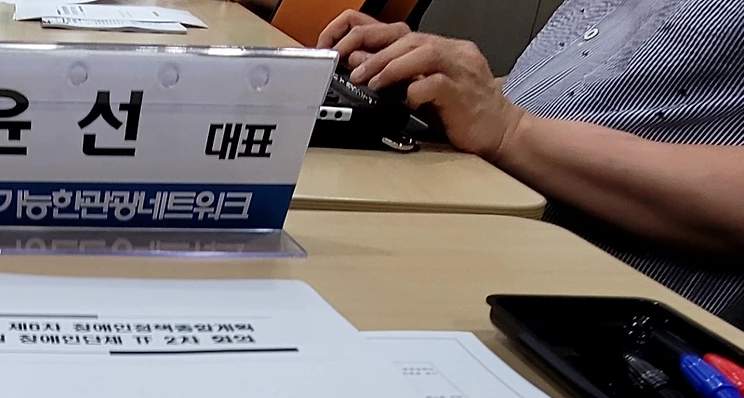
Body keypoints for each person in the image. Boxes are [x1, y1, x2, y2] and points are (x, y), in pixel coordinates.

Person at [317, 1, 744, 326]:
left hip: (586, 324)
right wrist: (436, 83)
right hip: (473, 244)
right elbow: (571, 99)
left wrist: (510, 129)